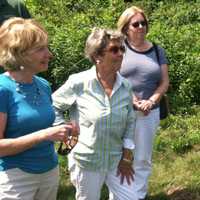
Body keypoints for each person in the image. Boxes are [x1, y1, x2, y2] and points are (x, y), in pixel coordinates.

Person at [52, 28, 138, 200]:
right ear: (97, 55)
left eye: (122, 49)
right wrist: (63, 128)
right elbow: (53, 105)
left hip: (116, 159)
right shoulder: (79, 82)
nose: (121, 54)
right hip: (86, 161)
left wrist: (127, 156)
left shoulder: (125, 86)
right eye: (114, 49)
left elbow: (130, 120)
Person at [0, 17, 79, 200]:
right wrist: (45, 135)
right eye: (41, 49)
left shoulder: (43, 85)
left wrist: (65, 130)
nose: (49, 54)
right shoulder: (3, 89)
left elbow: (41, 124)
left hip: (49, 171)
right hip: (16, 178)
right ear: (20, 53)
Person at [117, 6, 169, 200]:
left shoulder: (157, 50)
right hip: (122, 110)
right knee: (120, 154)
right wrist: (132, 99)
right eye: (135, 23)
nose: (140, 27)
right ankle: (119, 194)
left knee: (142, 158)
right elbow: (111, 76)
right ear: (125, 27)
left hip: (149, 112)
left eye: (143, 23)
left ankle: (138, 195)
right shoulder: (119, 48)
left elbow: (164, 81)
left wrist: (152, 100)